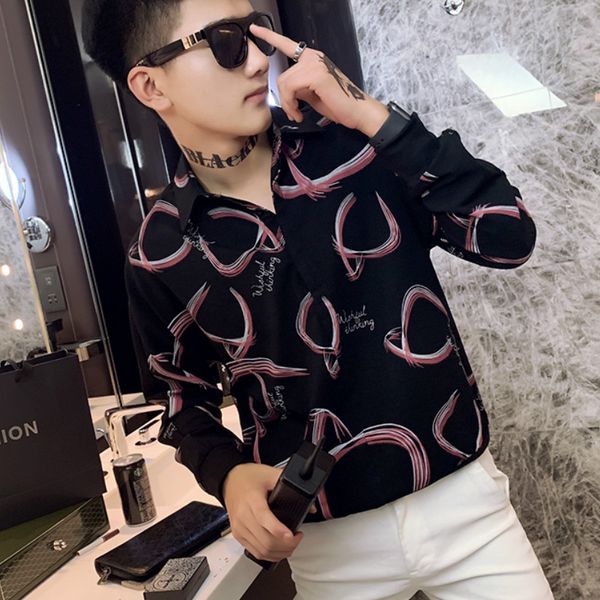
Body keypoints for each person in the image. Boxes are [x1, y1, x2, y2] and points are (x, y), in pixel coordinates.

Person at [82, 1, 555, 598]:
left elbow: (508, 235)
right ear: (152, 85)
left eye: (256, 32)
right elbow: (181, 401)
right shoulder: (159, 252)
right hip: (327, 546)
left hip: (465, 506)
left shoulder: (357, 150)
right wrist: (228, 476)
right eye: (226, 42)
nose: (259, 60)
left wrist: (368, 113)